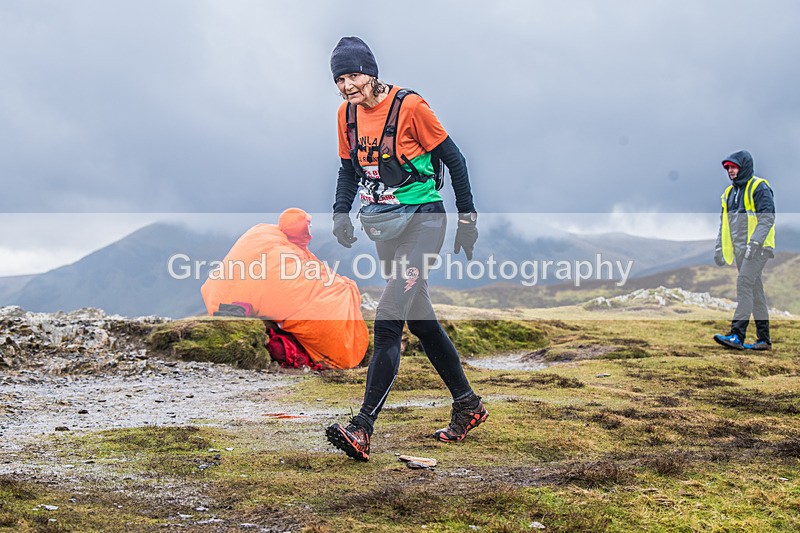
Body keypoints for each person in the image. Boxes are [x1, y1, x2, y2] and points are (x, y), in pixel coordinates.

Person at [324, 36, 487, 461]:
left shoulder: (409, 107)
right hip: (385, 228)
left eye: (354, 75)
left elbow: (455, 159)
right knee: (421, 319)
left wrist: (467, 220)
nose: (347, 85)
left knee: (389, 319)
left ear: (371, 73)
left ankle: (361, 427)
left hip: (425, 222)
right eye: (340, 78)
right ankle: (468, 404)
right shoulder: (346, 116)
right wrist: (341, 213)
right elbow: (348, 171)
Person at [712, 150, 775, 351]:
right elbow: (725, 224)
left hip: (757, 249)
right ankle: (764, 340)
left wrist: (755, 243)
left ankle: (736, 336)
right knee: (756, 292)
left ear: (744, 166)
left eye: (733, 167)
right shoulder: (729, 194)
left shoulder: (759, 187)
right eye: (728, 168)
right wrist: (719, 248)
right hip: (740, 250)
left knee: (744, 284)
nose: (730, 171)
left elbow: (767, 218)